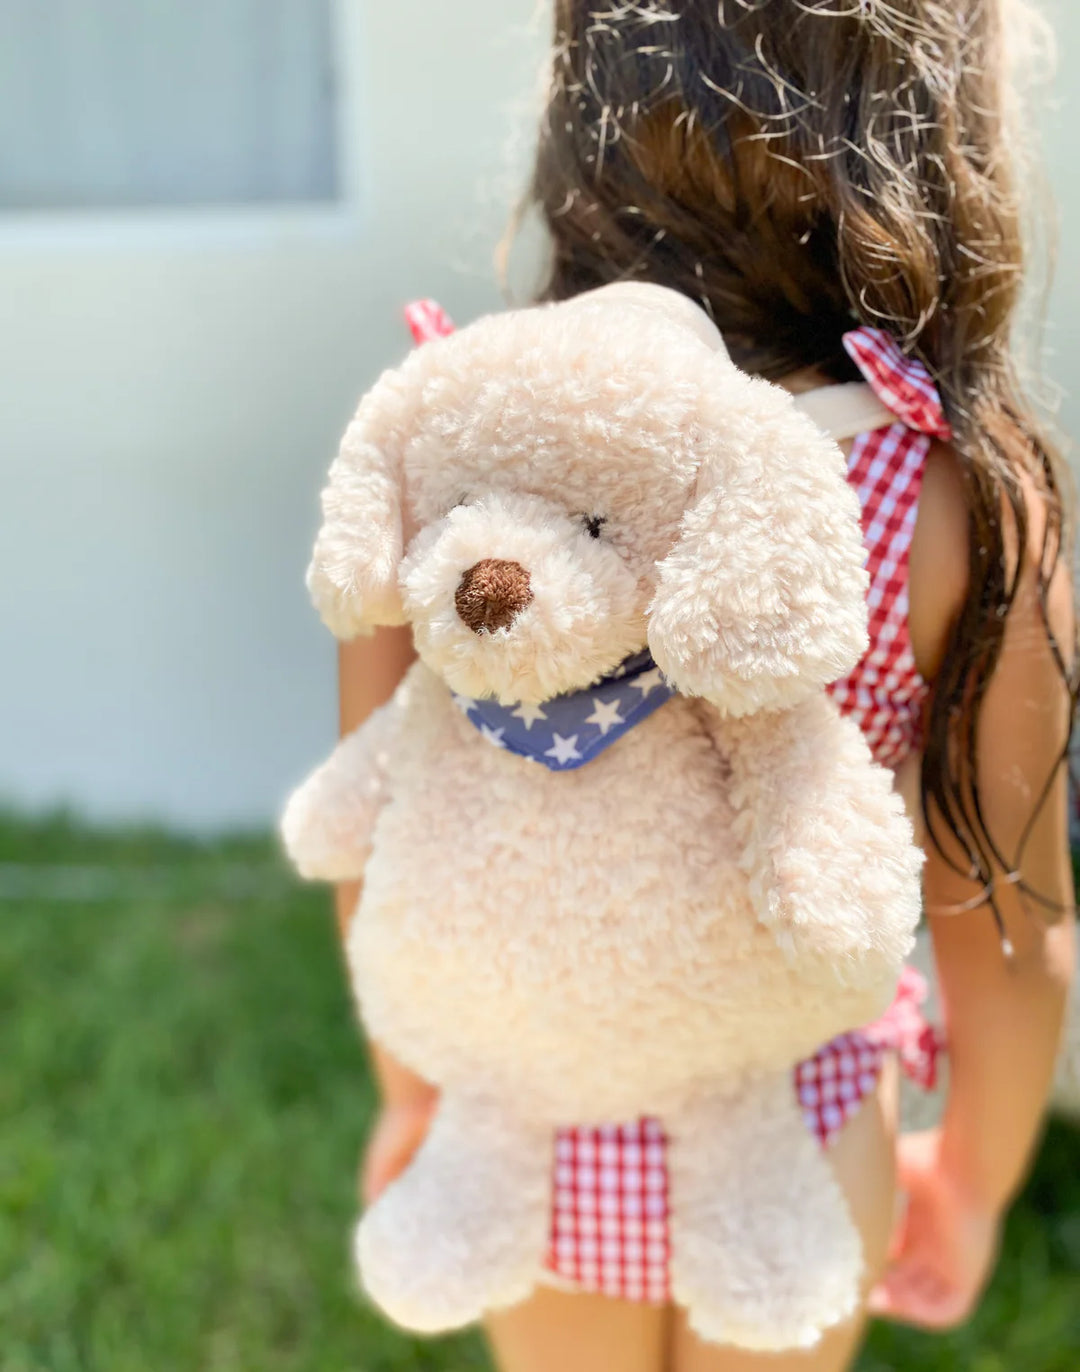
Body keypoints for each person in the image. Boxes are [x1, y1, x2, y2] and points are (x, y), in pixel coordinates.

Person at [334, 3, 1077, 1368]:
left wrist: (412, 1094)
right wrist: (970, 1178)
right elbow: (1011, 921)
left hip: (530, 1102)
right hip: (791, 1121)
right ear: (932, 123)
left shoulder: (463, 437)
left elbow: (380, 848)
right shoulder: (953, 495)